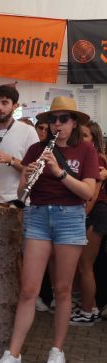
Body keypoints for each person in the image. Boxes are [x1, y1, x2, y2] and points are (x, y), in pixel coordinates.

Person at [0, 96, 98, 363]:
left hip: (69, 218)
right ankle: (13, 355)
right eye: (53, 119)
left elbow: (87, 192)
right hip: (38, 216)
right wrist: (27, 174)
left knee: (62, 289)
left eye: (63, 119)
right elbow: (22, 190)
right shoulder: (37, 148)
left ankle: (57, 350)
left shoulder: (86, 150)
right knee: (28, 290)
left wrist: (59, 173)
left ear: (74, 122)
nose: (57, 124)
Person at [0, 85, 46, 311]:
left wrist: (10, 159)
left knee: (20, 255)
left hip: (19, 202)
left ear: (14, 106)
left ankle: (26, 299)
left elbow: (34, 171)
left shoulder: (28, 132)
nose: (0, 107)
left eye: (5, 103)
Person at [69, 120, 107, 326]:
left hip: (95, 213)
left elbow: (93, 195)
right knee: (82, 265)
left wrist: (80, 216)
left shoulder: (97, 158)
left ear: (94, 139)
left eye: (85, 135)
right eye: (79, 135)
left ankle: (87, 312)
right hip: (89, 213)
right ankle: (89, 306)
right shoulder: (87, 156)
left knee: (85, 265)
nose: (80, 139)